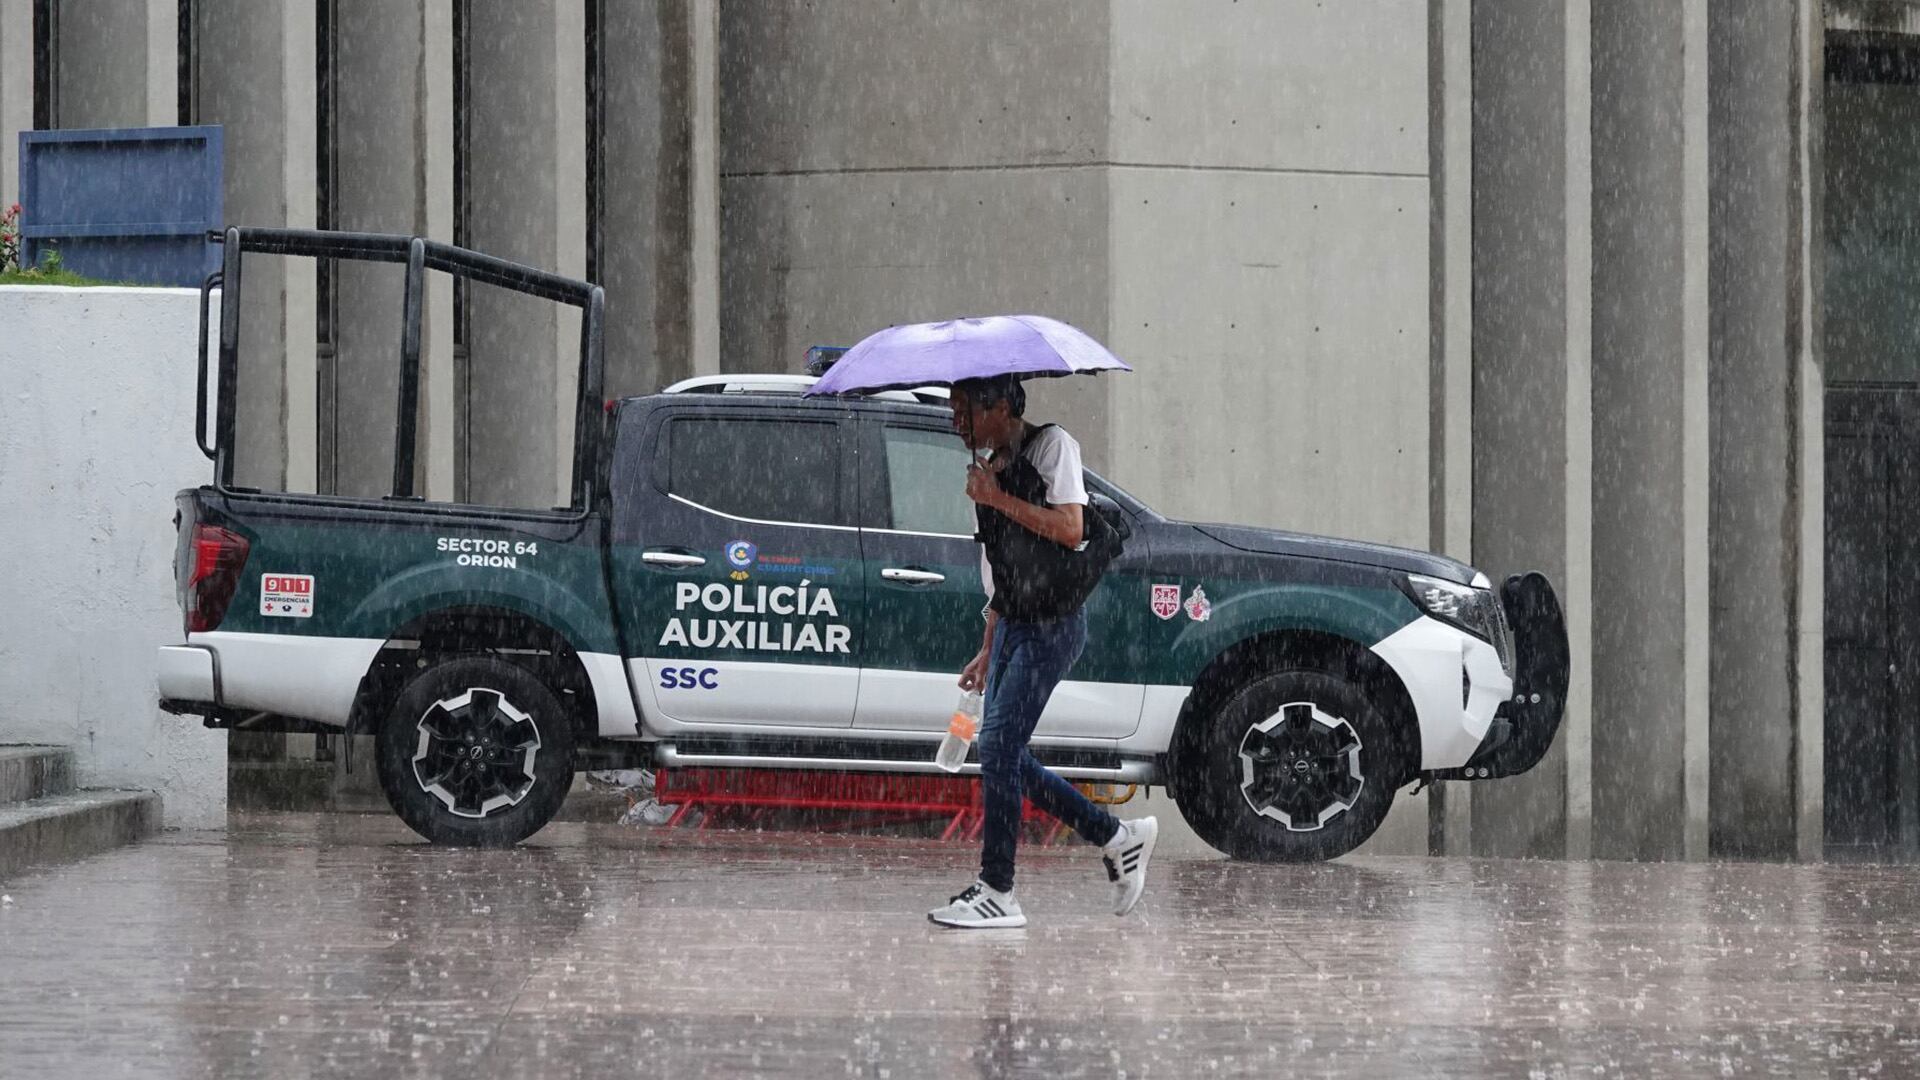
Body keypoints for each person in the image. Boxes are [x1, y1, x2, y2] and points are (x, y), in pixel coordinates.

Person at [926, 374, 1157, 930]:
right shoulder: (989, 470)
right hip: (1013, 624)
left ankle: (999, 890)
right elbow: (1004, 572)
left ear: (1001, 406)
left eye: (964, 410)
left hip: (1053, 625)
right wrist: (988, 646)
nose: (956, 422)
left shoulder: (1052, 447)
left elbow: (1070, 527)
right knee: (1001, 752)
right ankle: (1115, 837)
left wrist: (996, 498)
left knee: (1000, 747)